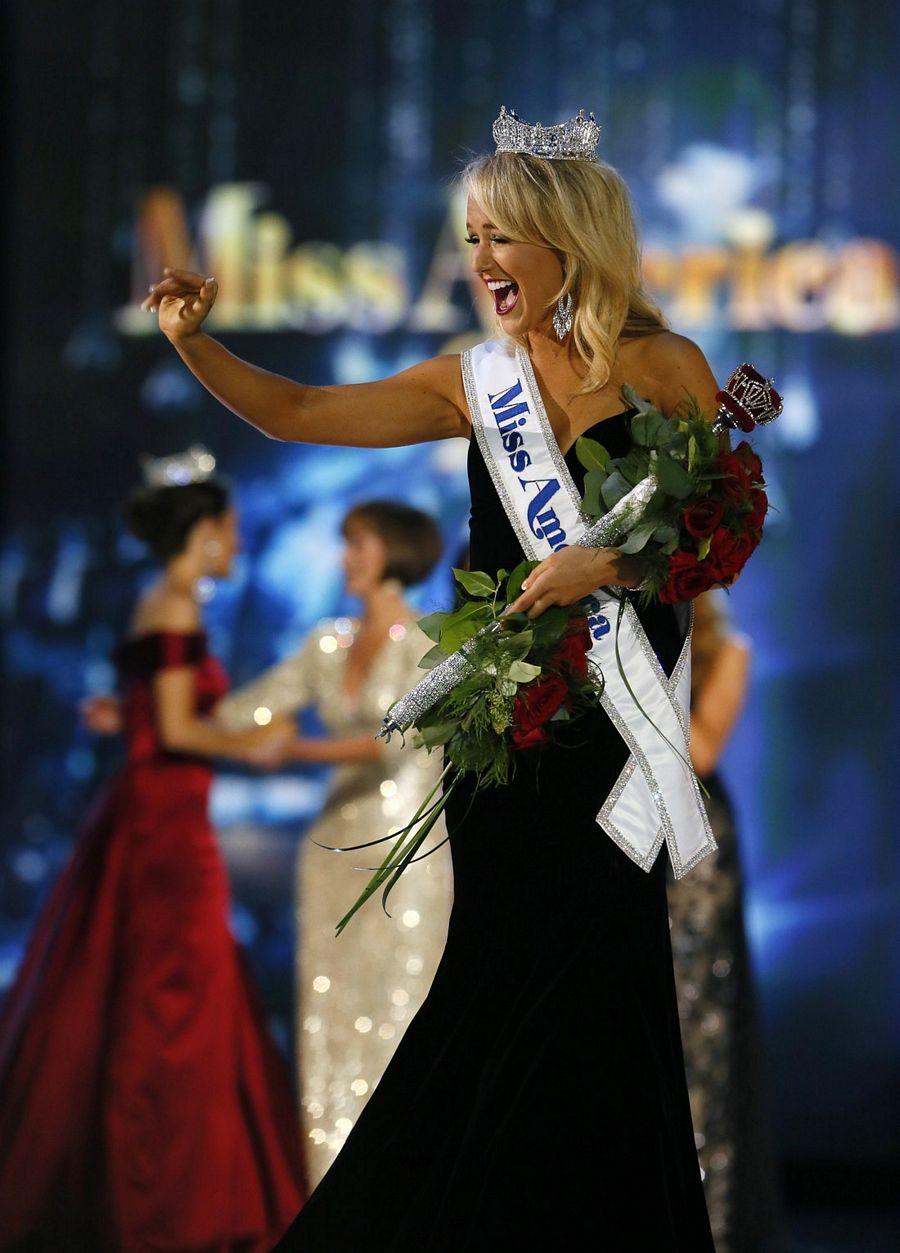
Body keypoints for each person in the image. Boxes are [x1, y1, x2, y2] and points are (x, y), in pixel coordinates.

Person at [143, 107, 720, 1249]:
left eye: (503, 236)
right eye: (471, 238)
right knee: (496, 989)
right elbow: (303, 413)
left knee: (603, 1000)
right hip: (510, 741)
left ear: (569, 240)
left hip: (617, 749)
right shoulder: (475, 383)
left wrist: (606, 561)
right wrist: (193, 346)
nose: (482, 262)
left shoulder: (665, 368)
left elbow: (715, 532)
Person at [0, 457, 305, 1251]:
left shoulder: (161, 602)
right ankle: (165, 1194)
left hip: (154, 816)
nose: (237, 542)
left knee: (152, 989)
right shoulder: (175, 605)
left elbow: (149, 714)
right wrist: (254, 745)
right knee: (175, 997)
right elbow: (176, 731)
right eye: (230, 530)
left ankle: (153, 1182)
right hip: (167, 828)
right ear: (203, 535)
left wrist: (125, 714)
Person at [214, 500, 453, 1188]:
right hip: (333, 853)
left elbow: (394, 739)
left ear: (395, 552)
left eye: (358, 544)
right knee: (331, 1019)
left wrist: (295, 747)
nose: (346, 557)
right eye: (346, 544)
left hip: (407, 856)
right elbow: (247, 709)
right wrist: (161, 710)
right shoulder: (326, 644)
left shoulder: (429, 643)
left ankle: (414, 1192)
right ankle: (334, 1192)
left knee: (406, 1015)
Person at [669, 591, 783, 1252]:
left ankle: (704, 1214)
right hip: (627, 837)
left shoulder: (729, 650)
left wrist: (646, 677)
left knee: (696, 1022)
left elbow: (703, 750)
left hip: (694, 854)